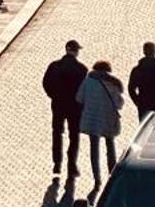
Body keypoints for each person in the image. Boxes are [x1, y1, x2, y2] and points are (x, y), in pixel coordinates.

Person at [42, 40, 87, 179]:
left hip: (58, 105)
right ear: (74, 51)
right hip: (74, 107)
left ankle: (57, 162)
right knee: (74, 136)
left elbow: (46, 84)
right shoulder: (81, 69)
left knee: (57, 133)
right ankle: (72, 165)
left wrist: (54, 96)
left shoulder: (54, 66)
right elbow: (84, 90)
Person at [77, 59, 125, 188]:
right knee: (110, 146)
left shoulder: (88, 81)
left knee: (94, 149)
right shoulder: (113, 83)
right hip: (108, 119)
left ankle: (97, 178)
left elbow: (79, 98)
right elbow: (119, 104)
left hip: (93, 120)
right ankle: (112, 173)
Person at [128, 41, 155, 119]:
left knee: (146, 128)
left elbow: (131, 88)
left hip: (144, 104)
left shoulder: (137, 70)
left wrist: (138, 102)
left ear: (144, 52)